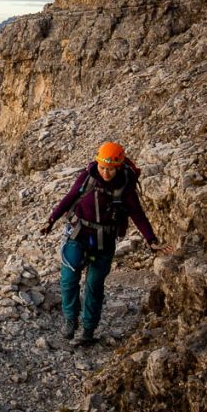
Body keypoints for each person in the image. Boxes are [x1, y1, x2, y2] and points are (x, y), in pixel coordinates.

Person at [39, 142, 173, 345]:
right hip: (79, 233)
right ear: (97, 163)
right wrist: (51, 220)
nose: (105, 172)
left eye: (110, 169)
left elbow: (138, 215)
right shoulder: (87, 177)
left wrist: (151, 240)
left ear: (118, 166)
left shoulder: (125, 186)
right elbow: (70, 197)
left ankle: (88, 330)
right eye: (102, 167)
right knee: (68, 277)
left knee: (94, 284)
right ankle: (70, 320)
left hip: (105, 239)